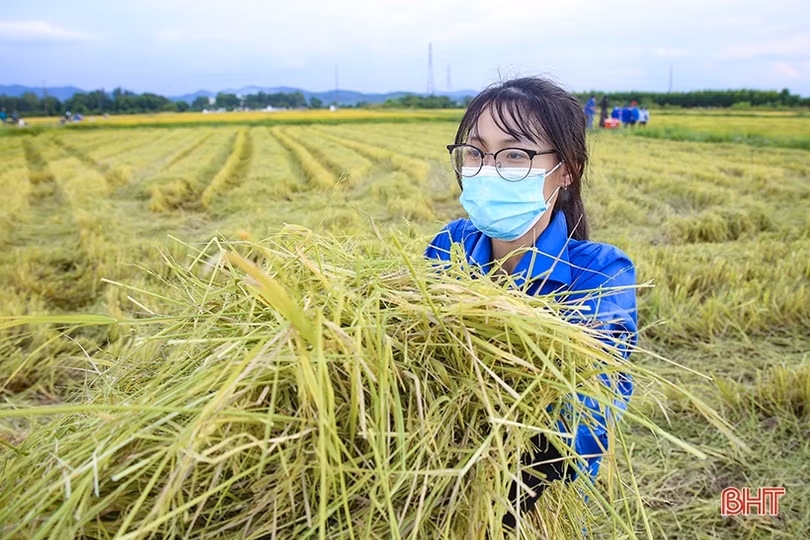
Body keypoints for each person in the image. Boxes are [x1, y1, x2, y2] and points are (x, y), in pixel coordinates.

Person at [425, 77, 636, 530]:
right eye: (476, 152)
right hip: (430, 487)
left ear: (566, 170)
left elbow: (586, 418)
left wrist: (503, 496)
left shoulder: (600, 275)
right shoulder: (448, 247)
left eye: (515, 155)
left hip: (534, 507)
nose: (487, 169)